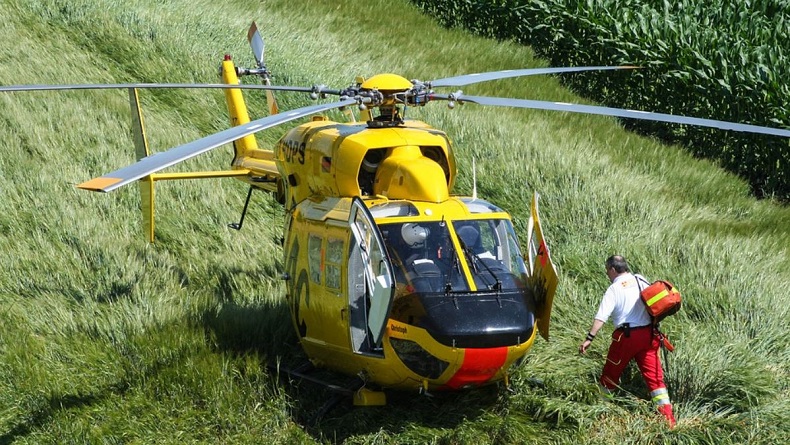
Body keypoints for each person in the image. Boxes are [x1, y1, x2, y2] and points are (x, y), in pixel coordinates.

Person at [579, 255, 676, 428]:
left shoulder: (614, 289)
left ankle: (600, 412)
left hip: (626, 337)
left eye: (607, 270)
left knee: (610, 374)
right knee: (655, 380)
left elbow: (601, 317)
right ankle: (668, 421)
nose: (607, 274)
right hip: (648, 336)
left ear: (613, 270)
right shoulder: (640, 279)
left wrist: (589, 339)